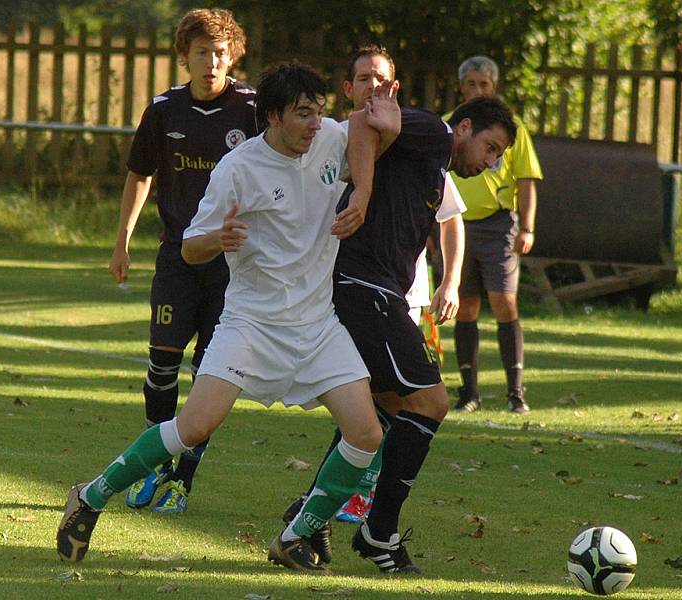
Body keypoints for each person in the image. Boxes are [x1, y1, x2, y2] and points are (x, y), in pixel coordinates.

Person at [56, 62, 402, 575]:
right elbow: (190, 246)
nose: (315, 124)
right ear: (272, 117)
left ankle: (295, 535)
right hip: (251, 324)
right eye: (303, 114)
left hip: (316, 325)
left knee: (367, 434)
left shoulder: (328, 137)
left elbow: (363, 136)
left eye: (319, 112)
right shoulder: (238, 167)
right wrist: (218, 239)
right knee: (194, 427)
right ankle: (90, 495)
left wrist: (384, 136)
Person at [286, 54, 517, 573]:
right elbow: (365, 121)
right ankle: (379, 532)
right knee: (432, 401)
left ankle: (310, 515)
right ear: (464, 127)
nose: (491, 162)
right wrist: (364, 191)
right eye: (491, 148)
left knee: (380, 411)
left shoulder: (431, 159)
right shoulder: (434, 133)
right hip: (364, 286)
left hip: (367, 286)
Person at [107, 8, 256, 514]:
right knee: (162, 362)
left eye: (219, 53)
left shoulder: (254, 110)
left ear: (232, 55)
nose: (211, 62)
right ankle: (155, 463)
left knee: (209, 373)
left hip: (234, 264)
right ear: (185, 56)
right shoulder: (164, 110)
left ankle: (182, 479)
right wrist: (122, 239)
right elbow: (140, 175)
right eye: (201, 53)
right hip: (177, 257)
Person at [448, 56, 544, 415]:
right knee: (464, 305)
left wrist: (528, 226)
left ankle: (515, 392)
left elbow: (527, 180)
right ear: (461, 87)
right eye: (470, 84)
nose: (476, 90)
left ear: (494, 87)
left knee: (505, 302)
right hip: (454, 224)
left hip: (498, 224)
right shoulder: (451, 125)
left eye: (483, 85)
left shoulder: (510, 130)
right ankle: (468, 392)